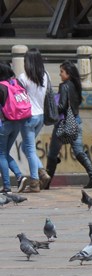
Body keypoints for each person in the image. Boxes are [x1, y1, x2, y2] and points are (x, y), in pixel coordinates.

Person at [44, 60, 92, 189]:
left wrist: (51, 109)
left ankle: (46, 182)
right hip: (76, 121)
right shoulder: (76, 85)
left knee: (52, 154)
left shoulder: (64, 86)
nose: (60, 74)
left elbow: (62, 106)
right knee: (79, 151)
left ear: (68, 74)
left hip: (64, 124)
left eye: (62, 72)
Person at [18, 48, 51, 193]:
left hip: (29, 117)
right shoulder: (46, 75)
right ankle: (42, 173)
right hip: (41, 117)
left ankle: (34, 182)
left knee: (29, 150)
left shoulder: (23, 78)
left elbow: (18, 98)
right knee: (26, 148)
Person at [0, 62, 25, 194]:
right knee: (4, 153)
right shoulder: (15, 83)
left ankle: (7, 186)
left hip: (4, 124)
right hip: (17, 122)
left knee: (1, 154)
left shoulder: (1, 87)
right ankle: (20, 177)